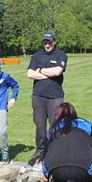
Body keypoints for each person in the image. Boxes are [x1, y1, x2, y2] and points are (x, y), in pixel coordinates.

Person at [41, 103, 92, 182]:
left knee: (56, 161)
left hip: (55, 169)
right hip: (81, 169)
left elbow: (46, 151)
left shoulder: (52, 128)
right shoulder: (87, 124)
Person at [27, 32, 68, 165]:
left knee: (55, 124)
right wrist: (47, 72)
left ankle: (57, 150)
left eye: (49, 42)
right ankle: (40, 150)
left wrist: (39, 71)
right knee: (39, 125)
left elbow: (57, 71)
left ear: (54, 42)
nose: (47, 44)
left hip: (55, 97)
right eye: (45, 42)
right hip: (38, 96)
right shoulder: (36, 55)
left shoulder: (61, 55)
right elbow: (29, 73)